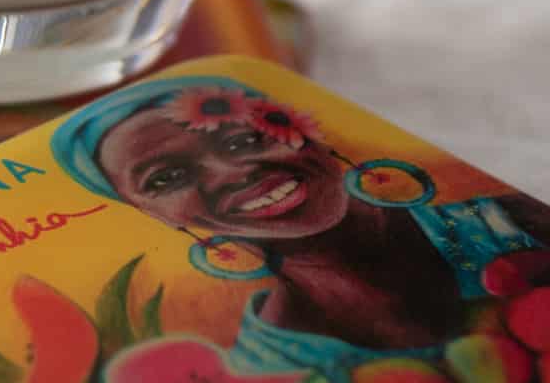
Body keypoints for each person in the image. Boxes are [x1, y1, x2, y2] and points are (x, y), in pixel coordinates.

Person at [51, 75, 550, 381]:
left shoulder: (513, 225)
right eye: (166, 178)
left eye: (244, 138)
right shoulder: (265, 363)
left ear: (310, 135)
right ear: (155, 216)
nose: (233, 172)